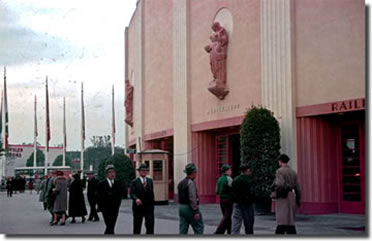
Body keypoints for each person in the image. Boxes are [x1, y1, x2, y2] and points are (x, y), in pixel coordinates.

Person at [271, 154, 301, 234]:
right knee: (290, 219)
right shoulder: (293, 172)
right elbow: (297, 187)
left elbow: (279, 184)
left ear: (280, 161)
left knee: (282, 219)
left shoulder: (279, 171)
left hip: (282, 196)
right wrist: (298, 198)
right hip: (291, 196)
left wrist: (274, 190)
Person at [177, 163, 204, 234]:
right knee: (199, 227)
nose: (196, 174)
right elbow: (193, 198)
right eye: (195, 172)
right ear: (193, 173)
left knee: (183, 229)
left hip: (181, 207)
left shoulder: (181, 183)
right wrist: (196, 211)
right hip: (189, 208)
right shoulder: (191, 183)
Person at [130, 163, 155, 234]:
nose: (144, 172)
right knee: (137, 226)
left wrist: (153, 204)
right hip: (138, 207)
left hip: (148, 207)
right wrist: (136, 199)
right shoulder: (134, 182)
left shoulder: (150, 181)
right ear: (139, 172)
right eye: (142, 170)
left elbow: (151, 193)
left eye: (145, 170)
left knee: (150, 224)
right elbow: (132, 193)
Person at [97, 164, 122, 234]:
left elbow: (119, 195)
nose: (112, 174)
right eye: (110, 172)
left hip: (115, 209)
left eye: (113, 172)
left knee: (112, 226)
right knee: (109, 225)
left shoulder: (117, 183)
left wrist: (118, 205)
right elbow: (99, 197)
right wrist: (101, 207)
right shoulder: (101, 184)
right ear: (107, 174)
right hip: (106, 209)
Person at [231, 163, 255, 234]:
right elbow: (252, 192)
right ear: (247, 170)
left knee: (236, 221)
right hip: (247, 204)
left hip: (237, 203)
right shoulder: (249, 180)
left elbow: (232, 191)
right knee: (248, 222)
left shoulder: (235, 180)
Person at [215, 164, 233, 234]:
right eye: (229, 170)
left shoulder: (219, 179)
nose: (231, 171)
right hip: (228, 199)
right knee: (227, 216)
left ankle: (229, 231)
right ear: (226, 171)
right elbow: (233, 187)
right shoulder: (228, 178)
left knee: (226, 217)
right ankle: (219, 231)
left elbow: (216, 191)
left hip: (221, 200)